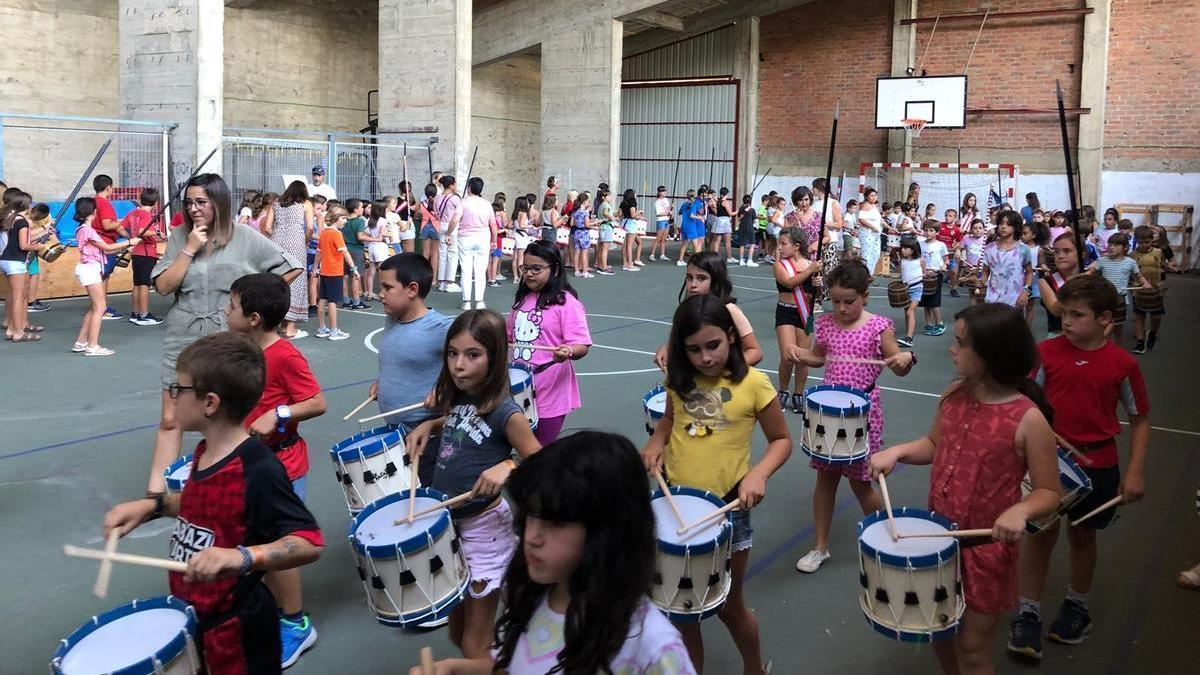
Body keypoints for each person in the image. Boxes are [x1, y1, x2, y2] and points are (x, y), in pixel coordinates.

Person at [104, 332, 324, 674]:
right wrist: (154, 507)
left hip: (240, 630)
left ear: (210, 403)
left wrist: (243, 556)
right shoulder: (206, 452)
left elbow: (309, 542)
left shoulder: (257, 468)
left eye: (180, 389)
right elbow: (205, 504)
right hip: (200, 619)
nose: (173, 397)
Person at [870, 303, 1060, 674]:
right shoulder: (953, 395)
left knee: (972, 647)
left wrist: (1020, 510)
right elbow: (935, 445)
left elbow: (1049, 491)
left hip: (986, 549)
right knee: (938, 630)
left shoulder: (1028, 418)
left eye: (961, 344)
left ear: (991, 355)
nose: (951, 350)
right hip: (938, 544)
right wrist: (898, 451)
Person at [415, 431, 696, 674]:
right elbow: (517, 667)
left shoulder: (652, 645)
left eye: (556, 522)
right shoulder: (535, 596)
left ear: (607, 530)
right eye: (531, 516)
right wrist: (460, 670)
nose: (532, 536)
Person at [641, 294, 792, 675]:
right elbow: (668, 421)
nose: (705, 357)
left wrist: (758, 474)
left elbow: (782, 440)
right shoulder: (678, 379)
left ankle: (754, 669)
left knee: (729, 605)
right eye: (693, 350)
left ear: (730, 336)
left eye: (713, 345)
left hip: (729, 512)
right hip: (673, 504)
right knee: (682, 610)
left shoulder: (755, 384)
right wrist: (657, 440)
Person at [1008, 274, 1151, 660]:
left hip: (1099, 464)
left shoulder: (1122, 364)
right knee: (1040, 536)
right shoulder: (1046, 352)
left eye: (1076, 315)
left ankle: (1077, 606)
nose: (1065, 321)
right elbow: (1024, 404)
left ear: (1105, 319)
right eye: (1064, 313)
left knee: (1084, 537)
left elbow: (1139, 420)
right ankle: (1028, 613)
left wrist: (1135, 471)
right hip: (1048, 462)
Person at [145, 174, 304, 495]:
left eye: (201, 202)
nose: (193, 209)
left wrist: (254, 304)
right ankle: (156, 495)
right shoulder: (180, 237)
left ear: (219, 202)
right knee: (170, 418)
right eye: (188, 202)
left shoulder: (245, 236)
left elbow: (291, 267)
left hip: (228, 340)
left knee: (229, 418)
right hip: (183, 337)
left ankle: (229, 483)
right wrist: (189, 249)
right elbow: (162, 287)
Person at [405, 309, 542, 659]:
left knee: (473, 643)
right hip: (451, 525)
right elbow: (456, 422)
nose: (458, 365)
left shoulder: (506, 413)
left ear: (494, 358)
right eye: (453, 353)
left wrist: (509, 465)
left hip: (485, 529)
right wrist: (430, 426)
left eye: (472, 355)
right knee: (456, 631)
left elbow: (542, 460)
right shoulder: (461, 397)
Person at [226, 273, 327, 668]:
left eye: (231, 306)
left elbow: (316, 402)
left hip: (282, 465)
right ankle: (268, 609)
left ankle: (296, 622)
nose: (225, 310)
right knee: (254, 539)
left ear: (252, 317)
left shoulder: (284, 355)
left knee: (276, 547)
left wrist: (279, 412)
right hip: (251, 461)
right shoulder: (243, 349)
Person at [789, 261, 916, 573]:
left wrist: (905, 358)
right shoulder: (826, 324)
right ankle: (820, 547)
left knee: (862, 483)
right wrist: (800, 354)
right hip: (829, 414)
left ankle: (890, 538)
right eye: (836, 301)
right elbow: (819, 358)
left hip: (863, 414)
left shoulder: (879, 327)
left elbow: (898, 366)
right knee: (826, 479)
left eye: (849, 301)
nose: (842, 308)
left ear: (866, 296)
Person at [370, 252, 452, 485]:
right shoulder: (393, 318)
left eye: (387, 287)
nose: (380, 294)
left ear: (412, 289)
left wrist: (445, 388)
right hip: (396, 430)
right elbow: (400, 359)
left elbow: (475, 366)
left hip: (427, 435)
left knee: (426, 497)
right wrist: (383, 383)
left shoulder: (441, 328)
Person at [508, 241, 592, 445]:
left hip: (551, 388)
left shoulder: (566, 302)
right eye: (525, 267)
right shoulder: (523, 299)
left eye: (536, 268)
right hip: (520, 386)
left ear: (554, 269)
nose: (529, 274)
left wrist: (568, 350)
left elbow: (582, 345)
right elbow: (509, 337)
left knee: (539, 450)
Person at [654, 251, 764, 372]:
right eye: (689, 278)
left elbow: (755, 352)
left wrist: (724, 370)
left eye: (701, 278)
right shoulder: (687, 310)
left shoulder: (730, 311)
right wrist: (668, 348)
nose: (693, 284)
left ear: (716, 281)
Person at [71, 197, 140, 354]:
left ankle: (81, 342)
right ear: (93, 212)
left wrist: (125, 248)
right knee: (101, 308)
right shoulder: (88, 231)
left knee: (95, 307)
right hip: (90, 269)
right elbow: (107, 248)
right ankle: (92, 346)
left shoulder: (82, 229)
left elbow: (104, 250)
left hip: (89, 268)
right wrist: (129, 242)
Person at [773, 227, 820, 410]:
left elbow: (817, 295)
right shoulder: (780, 265)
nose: (780, 247)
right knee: (788, 356)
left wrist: (818, 285)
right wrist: (811, 271)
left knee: (803, 357)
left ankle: (798, 393)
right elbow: (789, 282)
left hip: (804, 314)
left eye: (784, 244)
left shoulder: (811, 264)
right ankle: (783, 391)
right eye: (780, 243)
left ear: (796, 246)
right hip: (785, 312)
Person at [0, 190, 45, 342]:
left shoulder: (10, 219)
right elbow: (24, 245)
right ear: (25, 205)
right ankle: (18, 332)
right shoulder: (22, 222)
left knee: (14, 296)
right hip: (15, 262)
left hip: (6, 260)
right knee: (19, 298)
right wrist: (38, 247)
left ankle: (12, 329)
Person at [271, 181, 314, 338]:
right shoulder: (306, 203)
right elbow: (310, 227)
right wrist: (306, 240)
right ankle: (290, 328)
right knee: (297, 280)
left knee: (278, 280)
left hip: (276, 243)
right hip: (296, 242)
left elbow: (267, 227)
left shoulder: (276, 203)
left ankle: (278, 324)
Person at [1088, 232, 1146, 346]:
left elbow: (1139, 277)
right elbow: (1092, 275)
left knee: (1118, 330)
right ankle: (1103, 352)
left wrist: (1146, 284)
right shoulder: (1102, 261)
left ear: (1125, 247)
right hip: (1104, 299)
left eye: (1115, 245)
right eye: (1110, 244)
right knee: (1103, 327)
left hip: (1120, 300)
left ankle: (1116, 354)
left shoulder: (1130, 262)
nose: (1111, 247)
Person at [121, 188, 166, 326]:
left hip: (136, 252)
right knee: (145, 285)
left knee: (137, 284)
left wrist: (131, 237)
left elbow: (120, 227)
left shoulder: (133, 213)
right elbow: (142, 231)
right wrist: (158, 234)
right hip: (146, 253)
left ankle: (136, 313)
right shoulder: (146, 215)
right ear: (155, 202)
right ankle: (144, 315)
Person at [315, 205, 359, 341]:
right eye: (343, 218)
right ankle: (334, 331)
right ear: (335, 219)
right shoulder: (337, 234)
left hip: (324, 271)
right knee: (333, 301)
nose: (345, 221)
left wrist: (314, 268)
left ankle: (322, 329)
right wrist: (354, 268)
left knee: (322, 299)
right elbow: (344, 252)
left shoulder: (323, 232)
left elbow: (319, 252)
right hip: (334, 272)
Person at [458, 177, 498, 310]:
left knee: (466, 270)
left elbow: (454, 220)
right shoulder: (486, 204)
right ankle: (480, 301)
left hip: (465, 238)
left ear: (469, 188)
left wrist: (448, 234)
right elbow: (493, 224)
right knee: (481, 271)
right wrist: (494, 240)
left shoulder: (463, 203)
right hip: (483, 238)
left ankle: (466, 301)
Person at [92, 174, 127, 320]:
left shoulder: (93, 202)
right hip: (105, 243)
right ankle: (101, 308)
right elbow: (107, 224)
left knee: (103, 276)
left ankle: (101, 306)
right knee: (102, 277)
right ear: (108, 187)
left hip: (97, 242)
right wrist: (122, 222)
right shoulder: (104, 203)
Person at [982, 212, 1035, 309]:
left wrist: (1025, 291)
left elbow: (1029, 273)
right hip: (992, 300)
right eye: (1001, 223)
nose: (1003, 227)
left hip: (1015, 301)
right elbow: (985, 271)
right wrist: (980, 282)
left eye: (1008, 224)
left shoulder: (1023, 250)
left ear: (1016, 227)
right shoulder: (989, 248)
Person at [1036, 231, 1084, 338]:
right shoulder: (1046, 282)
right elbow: (1056, 311)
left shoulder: (1092, 279)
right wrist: (1080, 282)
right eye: (1056, 252)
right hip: (1058, 336)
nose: (1060, 256)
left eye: (1067, 251)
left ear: (1082, 254)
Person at [1129, 225, 1168, 354]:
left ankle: (1152, 333)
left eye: (1147, 242)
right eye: (1141, 242)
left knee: (1156, 316)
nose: (1144, 245)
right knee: (1140, 316)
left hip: (1155, 289)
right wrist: (1133, 290)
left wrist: (1163, 286)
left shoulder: (1158, 252)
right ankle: (1140, 341)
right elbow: (1130, 273)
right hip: (1138, 289)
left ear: (1152, 240)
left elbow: (1163, 267)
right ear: (1137, 241)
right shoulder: (1132, 255)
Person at [919, 220, 950, 336]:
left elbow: (946, 260)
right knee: (926, 302)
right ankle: (928, 324)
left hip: (937, 275)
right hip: (924, 275)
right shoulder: (920, 244)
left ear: (937, 232)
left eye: (931, 230)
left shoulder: (941, 245)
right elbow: (919, 259)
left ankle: (939, 323)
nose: (928, 232)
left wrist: (944, 265)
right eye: (926, 230)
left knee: (934, 301)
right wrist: (923, 271)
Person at [340, 199, 372, 310]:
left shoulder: (344, 220)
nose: (363, 209)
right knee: (355, 276)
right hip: (356, 250)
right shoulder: (360, 221)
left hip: (344, 249)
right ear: (355, 209)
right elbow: (360, 237)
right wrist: (376, 239)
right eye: (361, 207)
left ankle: (346, 301)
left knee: (345, 276)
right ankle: (357, 302)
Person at [435, 175, 463, 293]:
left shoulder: (437, 197)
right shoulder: (455, 198)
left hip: (441, 225)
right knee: (452, 254)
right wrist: (450, 232)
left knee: (442, 253)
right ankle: (450, 282)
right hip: (451, 226)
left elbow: (436, 213)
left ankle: (441, 282)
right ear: (451, 185)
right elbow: (457, 217)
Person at [896, 235, 925, 348]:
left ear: (913, 250)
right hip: (905, 289)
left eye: (906, 248)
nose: (903, 250)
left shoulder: (920, 260)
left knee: (910, 312)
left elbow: (924, 273)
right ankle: (909, 334)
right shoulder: (903, 260)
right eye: (902, 247)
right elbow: (902, 273)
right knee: (906, 312)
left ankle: (909, 339)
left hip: (917, 288)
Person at [857, 187, 884, 277]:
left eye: (875, 195)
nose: (874, 197)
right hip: (867, 233)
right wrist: (873, 227)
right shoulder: (865, 205)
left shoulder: (874, 206)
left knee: (876, 253)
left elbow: (879, 219)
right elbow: (861, 218)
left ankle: (871, 271)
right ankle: (865, 273)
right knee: (867, 253)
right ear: (867, 197)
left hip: (876, 234)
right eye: (871, 195)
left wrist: (889, 227)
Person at [677, 188, 706, 267]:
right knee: (696, 246)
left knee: (684, 244)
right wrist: (700, 217)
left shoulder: (684, 204)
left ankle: (680, 260)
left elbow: (679, 213)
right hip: (691, 226)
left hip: (684, 226)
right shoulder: (694, 204)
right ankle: (698, 263)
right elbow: (691, 215)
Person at [569, 192, 595, 278]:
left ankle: (576, 270)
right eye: (588, 201)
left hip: (576, 232)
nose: (588, 203)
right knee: (584, 253)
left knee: (577, 252)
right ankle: (585, 271)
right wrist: (595, 223)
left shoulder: (575, 211)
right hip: (584, 233)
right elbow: (587, 224)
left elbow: (572, 223)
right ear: (584, 201)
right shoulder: (585, 212)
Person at [938, 209, 963, 296]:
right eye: (946, 215)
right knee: (938, 271)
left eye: (950, 216)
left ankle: (953, 289)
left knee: (954, 272)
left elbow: (959, 242)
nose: (947, 218)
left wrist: (957, 250)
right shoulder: (940, 226)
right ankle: (935, 288)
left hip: (951, 253)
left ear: (955, 218)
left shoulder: (956, 229)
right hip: (940, 253)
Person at [419, 182, 441, 274]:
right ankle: (434, 280)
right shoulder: (439, 203)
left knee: (425, 254)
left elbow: (418, 214)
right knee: (435, 254)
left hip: (424, 226)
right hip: (436, 227)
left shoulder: (421, 203)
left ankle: (424, 276)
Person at [649, 185, 672, 262]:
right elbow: (658, 214)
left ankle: (662, 255)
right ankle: (651, 255)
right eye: (662, 191)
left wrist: (671, 208)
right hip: (661, 221)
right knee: (658, 238)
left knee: (664, 239)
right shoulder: (657, 202)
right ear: (659, 193)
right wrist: (667, 214)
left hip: (667, 220)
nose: (664, 192)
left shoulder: (666, 200)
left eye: (665, 190)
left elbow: (668, 209)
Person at [736, 194, 760, 266]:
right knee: (752, 244)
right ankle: (749, 260)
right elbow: (755, 221)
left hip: (742, 227)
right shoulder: (752, 210)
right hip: (750, 228)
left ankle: (741, 260)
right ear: (750, 202)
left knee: (742, 244)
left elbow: (738, 219)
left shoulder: (740, 209)